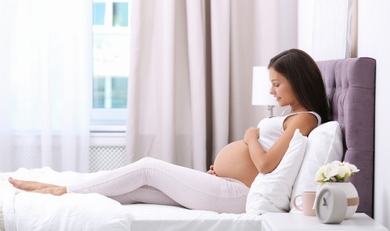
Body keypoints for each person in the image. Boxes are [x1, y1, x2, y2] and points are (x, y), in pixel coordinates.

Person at [8, 49, 330, 214]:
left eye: (276, 83)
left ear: (298, 80)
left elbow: (264, 165)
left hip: (238, 195)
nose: (272, 91)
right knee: (137, 191)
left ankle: (61, 190)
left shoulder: (305, 119)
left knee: (147, 168)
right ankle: (66, 198)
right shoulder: (295, 116)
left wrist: (250, 138)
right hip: (226, 184)